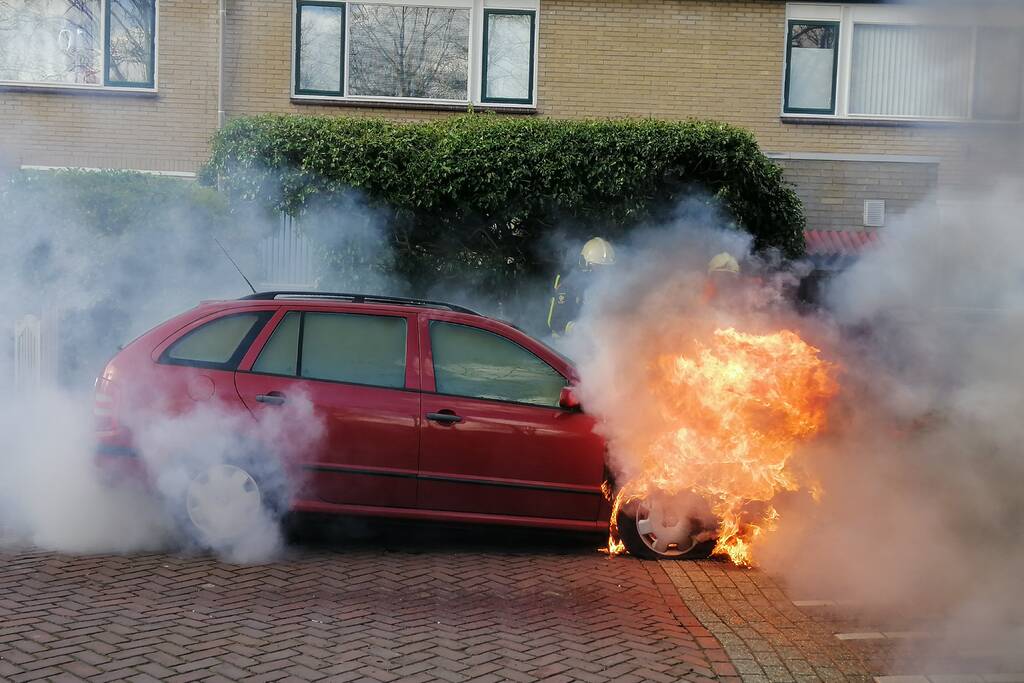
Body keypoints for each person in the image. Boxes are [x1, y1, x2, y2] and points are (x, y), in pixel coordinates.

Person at [547, 237, 615, 336]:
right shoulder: (569, 284)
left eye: (606, 268)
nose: (603, 272)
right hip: (562, 345)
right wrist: (581, 329)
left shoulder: (601, 284)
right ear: (585, 263)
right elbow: (556, 322)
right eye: (598, 266)